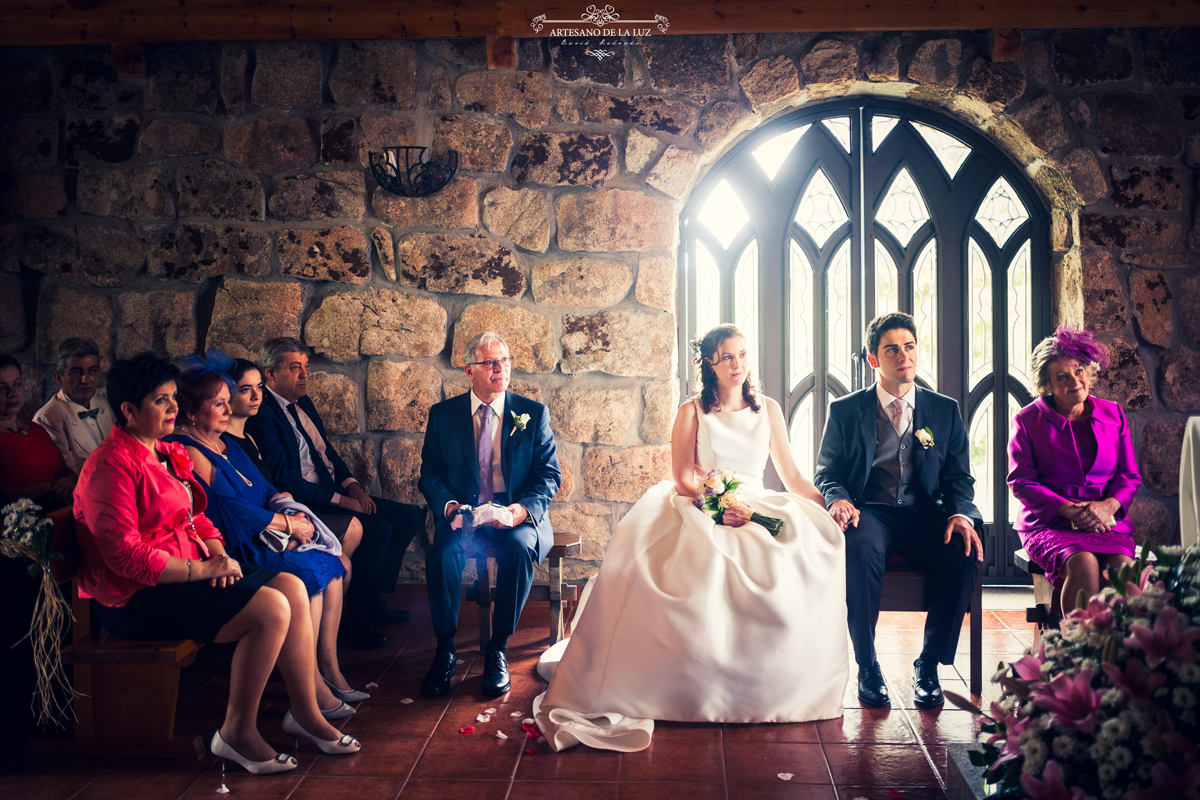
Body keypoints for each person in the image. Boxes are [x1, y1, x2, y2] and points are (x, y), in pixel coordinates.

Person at [535, 324, 847, 753]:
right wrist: (718, 507)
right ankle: (686, 682)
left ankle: (774, 682)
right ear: (710, 365)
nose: (738, 365)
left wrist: (827, 505)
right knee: (679, 570)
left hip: (754, 504)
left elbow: (792, 476)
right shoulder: (692, 410)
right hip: (702, 503)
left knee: (797, 552)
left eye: (743, 355)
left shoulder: (768, 409)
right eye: (727, 358)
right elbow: (682, 477)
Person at [72, 352, 359, 776]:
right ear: (129, 410)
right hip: (137, 598)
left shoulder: (164, 452)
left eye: (172, 398)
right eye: (160, 401)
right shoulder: (110, 466)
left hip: (187, 573)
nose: (172, 408)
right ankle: (237, 731)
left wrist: (216, 550)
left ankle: (304, 711)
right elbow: (126, 556)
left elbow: (198, 510)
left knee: (292, 587)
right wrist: (202, 570)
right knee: (271, 608)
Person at [169, 351, 369, 717]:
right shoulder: (189, 450)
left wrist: (289, 510)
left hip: (265, 532)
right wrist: (287, 526)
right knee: (308, 574)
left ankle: (327, 669)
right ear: (192, 412)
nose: (228, 411)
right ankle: (308, 689)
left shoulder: (227, 444)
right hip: (240, 545)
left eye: (229, 402)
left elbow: (265, 489)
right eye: (219, 404)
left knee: (331, 564)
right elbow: (230, 509)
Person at [814, 312, 983, 710]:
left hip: (926, 514)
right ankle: (868, 665)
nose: (904, 356)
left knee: (964, 550)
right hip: (871, 512)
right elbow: (827, 472)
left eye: (909, 347)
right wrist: (838, 499)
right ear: (874, 360)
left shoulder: (944, 410)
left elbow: (959, 478)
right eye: (892, 349)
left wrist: (961, 514)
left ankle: (928, 665)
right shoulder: (846, 410)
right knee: (859, 546)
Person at [245, 337, 422, 648]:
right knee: (378, 530)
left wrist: (353, 487)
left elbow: (327, 454)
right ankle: (355, 617)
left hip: (332, 490)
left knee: (407, 517)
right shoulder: (264, 415)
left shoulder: (304, 403)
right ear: (270, 374)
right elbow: (285, 478)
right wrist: (342, 501)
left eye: (306, 367)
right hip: (307, 502)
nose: (304, 375)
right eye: (295, 368)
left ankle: (373, 600)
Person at [418, 332, 562, 699]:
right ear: (469, 370)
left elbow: (550, 474)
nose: (501, 368)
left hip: (516, 516)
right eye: (490, 362)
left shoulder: (532, 413)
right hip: (466, 516)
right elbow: (431, 474)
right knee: (443, 555)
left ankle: (498, 648)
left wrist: (521, 510)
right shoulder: (443, 416)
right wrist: (450, 508)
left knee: (519, 548)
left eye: (505, 361)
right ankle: (445, 650)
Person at [1008, 325, 1140, 611]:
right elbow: (1021, 481)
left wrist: (1108, 507)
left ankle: (1120, 651)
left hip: (1106, 519)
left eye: (1078, 371)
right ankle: (1075, 651)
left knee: (1123, 570)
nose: (1075, 381)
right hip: (1049, 522)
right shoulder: (1026, 420)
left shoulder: (1113, 412)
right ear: (1047, 385)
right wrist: (1071, 510)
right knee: (1083, 563)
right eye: (1062, 376)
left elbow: (1129, 475)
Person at [224, 357, 363, 583]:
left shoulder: (249, 437)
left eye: (258, 388)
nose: (256, 396)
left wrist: (289, 506)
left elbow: (325, 452)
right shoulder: (240, 435)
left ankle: (353, 612)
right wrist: (289, 522)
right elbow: (242, 501)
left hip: (284, 509)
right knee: (338, 562)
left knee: (347, 560)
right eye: (245, 390)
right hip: (262, 528)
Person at [0, 355, 75, 510]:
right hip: (22, 525)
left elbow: (65, 471)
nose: (12, 393)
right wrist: (42, 488)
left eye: (17, 384)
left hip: (65, 514)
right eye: (2, 387)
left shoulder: (36, 429)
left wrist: (70, 481)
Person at [34, 337, 115, 474]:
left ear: (99, 373)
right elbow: (70, 473)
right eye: (77, 372)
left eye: (92, 371)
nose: (86, 379)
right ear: (59, 378)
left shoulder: (103, 404)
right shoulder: (47, 418)